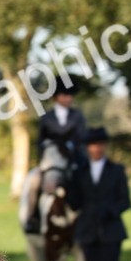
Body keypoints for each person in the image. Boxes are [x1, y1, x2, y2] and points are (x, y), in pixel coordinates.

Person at [67, 127, 131, 261]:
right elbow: (75, 203)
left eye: (100, 144)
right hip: (87, 232)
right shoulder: (80, 172)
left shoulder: (116, 170)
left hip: (111, 232)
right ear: (87, 148)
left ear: (105, 146)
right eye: (93, 144)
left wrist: (109, 212)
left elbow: (125, 201)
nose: (97, 148)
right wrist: (68, 184)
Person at [25, 78, 88, 232]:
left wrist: (71, 148)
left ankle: (89, 219)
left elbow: (82, 139)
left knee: (88, 182)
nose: (69, 98)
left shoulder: (77, 116)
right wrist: (44, 158)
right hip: (51, 160)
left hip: (72, 160)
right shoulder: (46, 118)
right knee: (34, 181)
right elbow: (40, 142)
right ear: (56, 97)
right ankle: (33, 218)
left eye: (70, 95)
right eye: (65, 95)